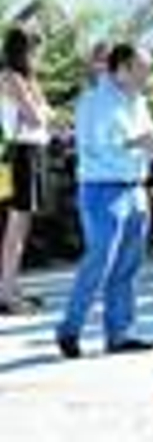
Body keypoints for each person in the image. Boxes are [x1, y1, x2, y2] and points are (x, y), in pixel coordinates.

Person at [57, 44, 153, 359]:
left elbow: (145, 139)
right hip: (102, 189)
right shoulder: (94, 101)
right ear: (121, 69)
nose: (147, 75)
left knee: (128, 266)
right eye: (141, 68)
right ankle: (69, 330)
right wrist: (137, 143)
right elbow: (94, 146)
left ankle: (119, 334)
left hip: (135, 188)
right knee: (99, 261)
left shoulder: (139, 101)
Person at [0, 26, 51, 314]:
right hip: (20, 153)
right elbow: (35, 118)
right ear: (24, 50)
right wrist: (41, 111)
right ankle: (6, 294)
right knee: (14, 227)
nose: (39, 55)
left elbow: (45, 115)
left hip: (30, 151)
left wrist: (41, 110)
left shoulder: (26, 80)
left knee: (20, 225)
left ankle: (9, 286)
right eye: (36, 49)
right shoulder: (11, 77)